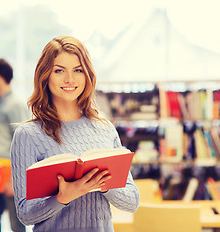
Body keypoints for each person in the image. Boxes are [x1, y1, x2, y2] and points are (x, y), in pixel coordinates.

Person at [10, 35, 140, 232]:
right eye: (59, 70)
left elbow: (132, 201)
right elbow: (25, 214)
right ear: (45, 75)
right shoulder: (27, 135)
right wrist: (63, 197)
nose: (69, 79)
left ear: (87, 75)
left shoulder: (104, 129)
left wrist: (103, 185)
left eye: (78, 70)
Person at [0, 58, 28, 232]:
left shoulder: (15, 103)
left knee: (16, 223)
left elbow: (24, 142)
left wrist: (14, 178)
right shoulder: (2, 101)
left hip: (10, 170)